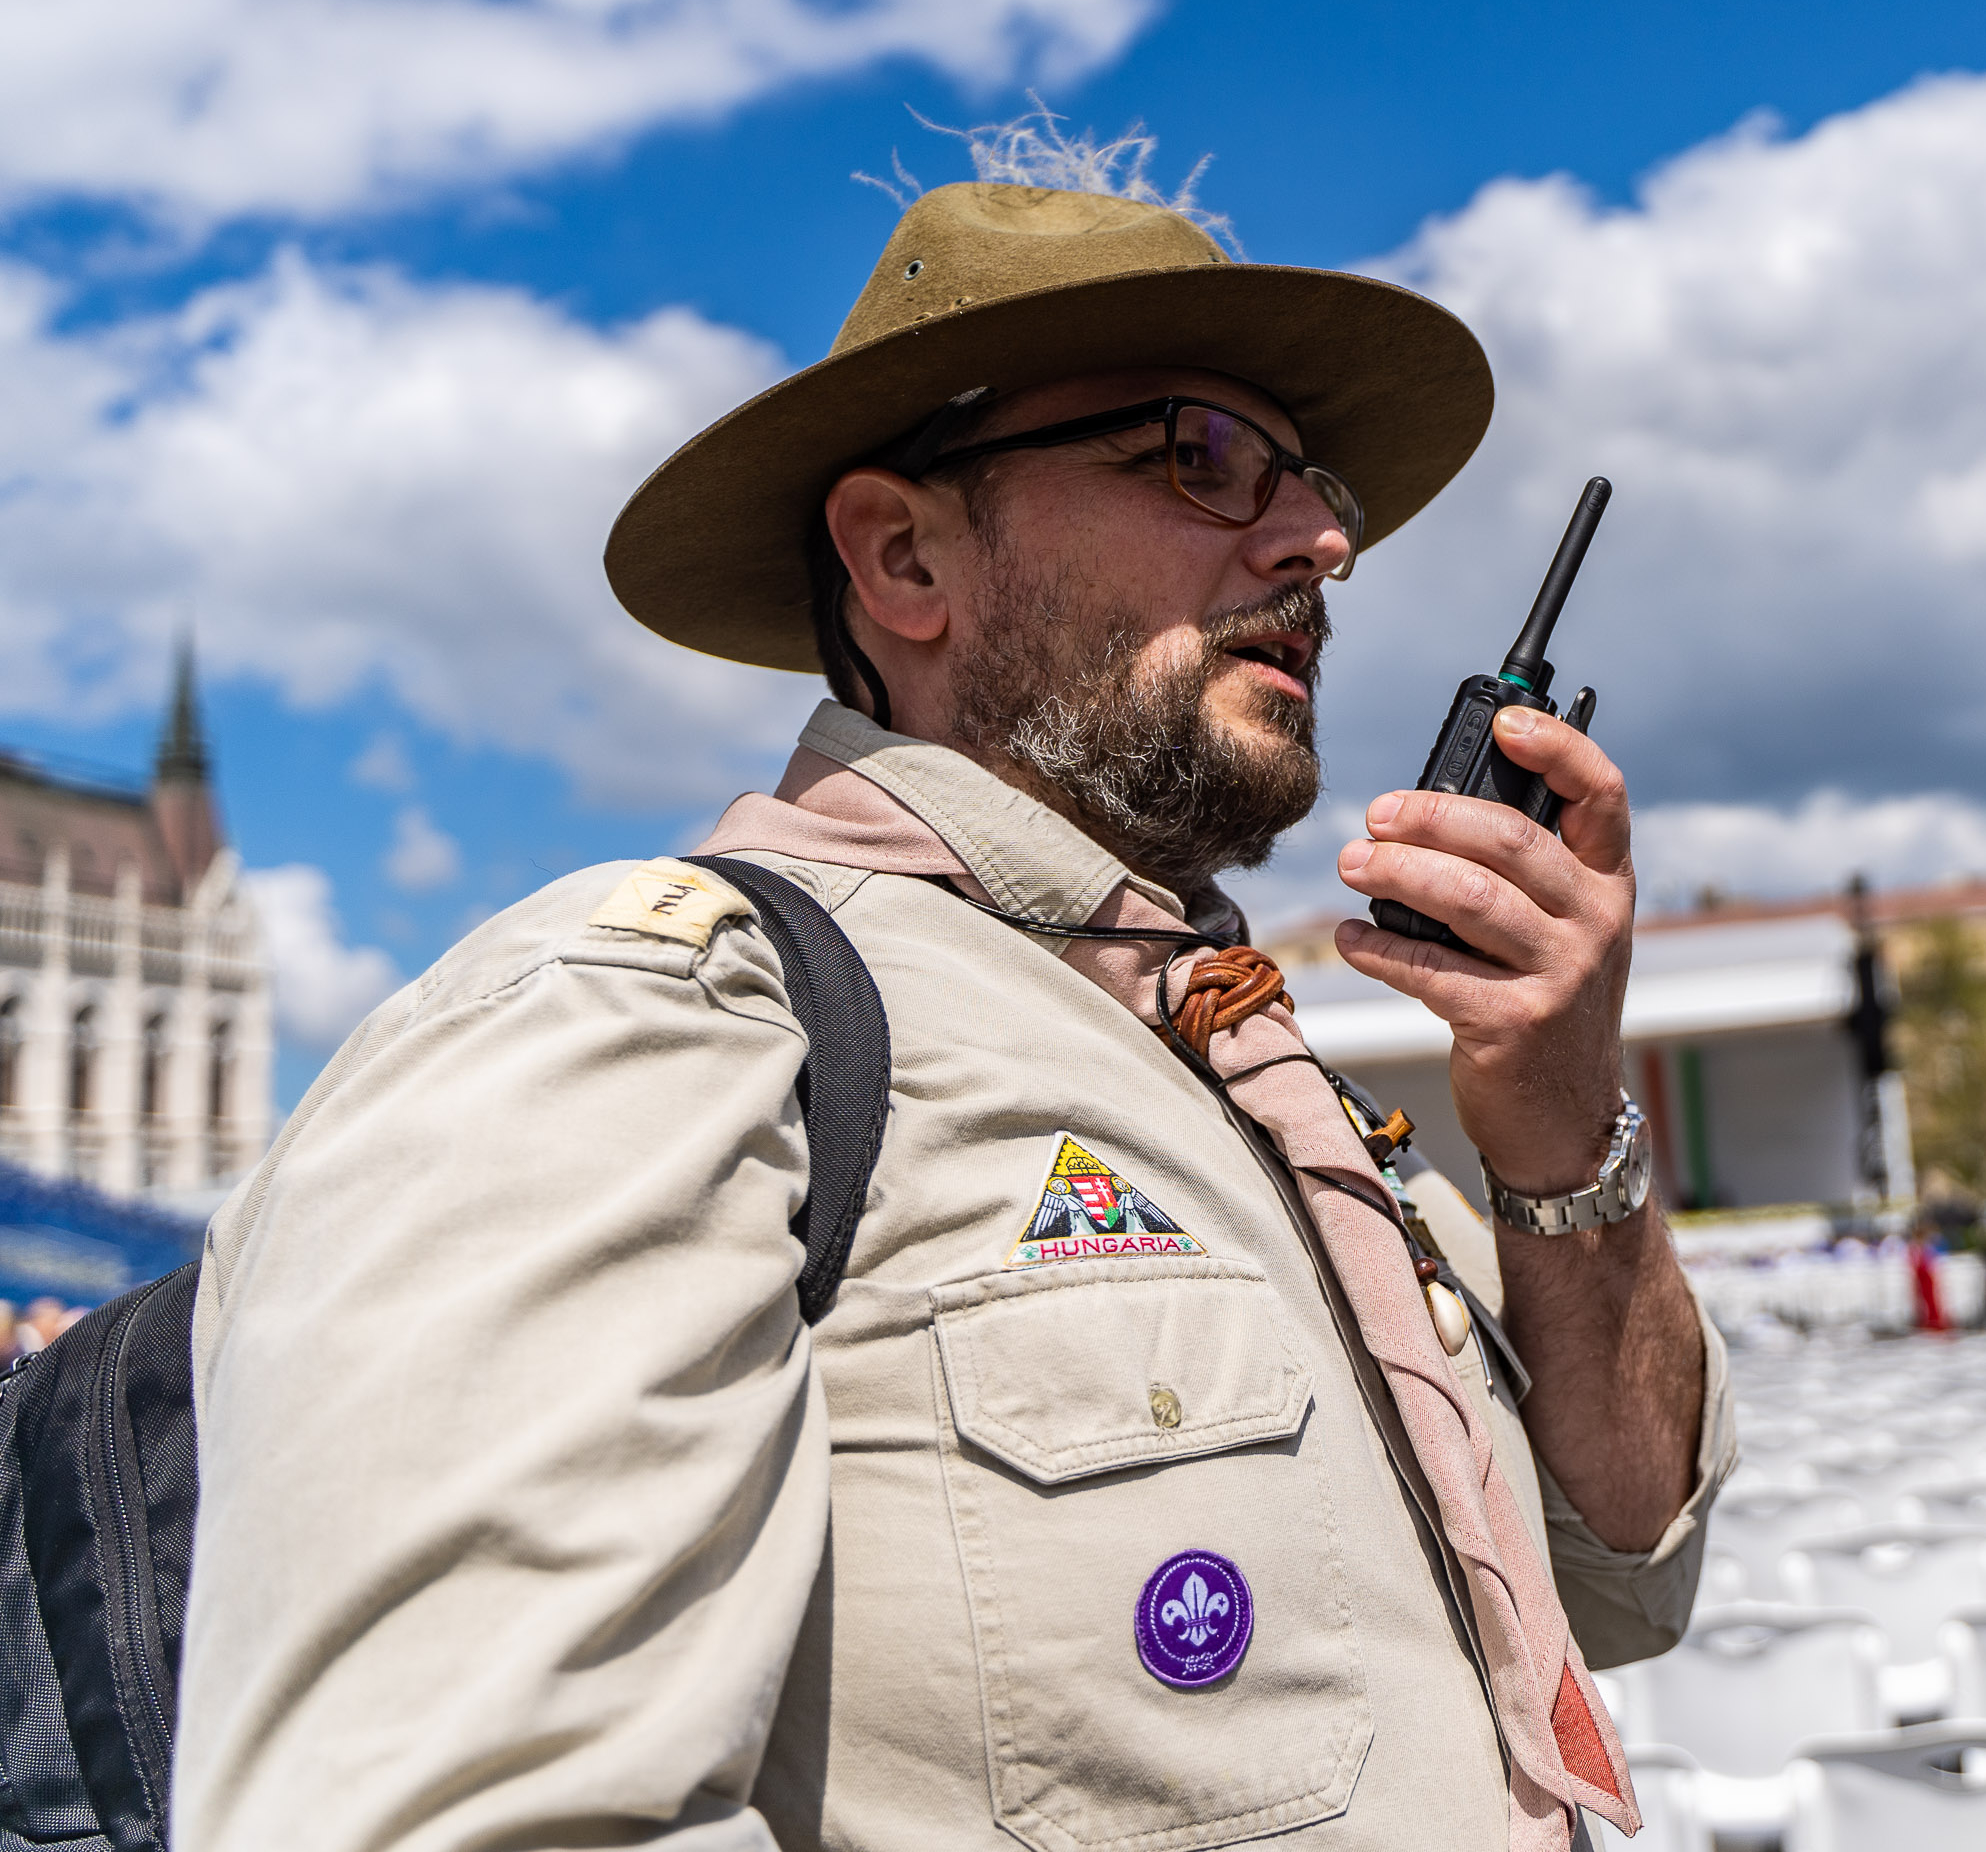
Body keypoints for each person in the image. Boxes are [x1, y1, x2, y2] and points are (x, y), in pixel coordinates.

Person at [177, 177, 1730, 1849]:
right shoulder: (648, 1023)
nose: (1321, 544)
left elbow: (1625, 1581)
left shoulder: (1272, 1077)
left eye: (1317, 486)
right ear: (905, 557)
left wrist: (1568, 1132)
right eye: (1201, 456)